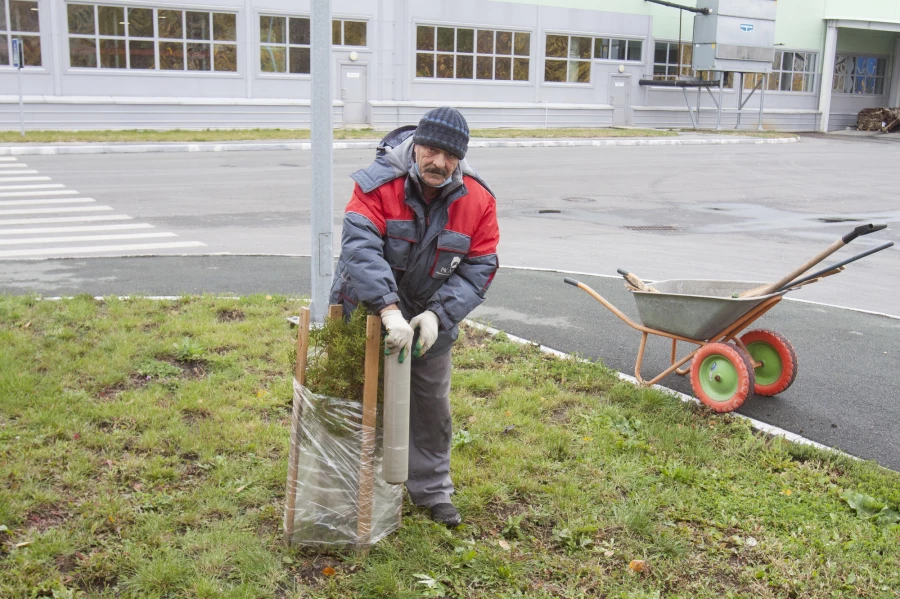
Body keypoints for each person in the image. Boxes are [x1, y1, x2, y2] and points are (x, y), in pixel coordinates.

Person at [330, 107, 500, 527]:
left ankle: (431, 490)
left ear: (460, 158)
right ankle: (346, 480)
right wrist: (388, 311)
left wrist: (438, 317)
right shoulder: (377, 185)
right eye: (431, 150)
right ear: (416, 146)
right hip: (367, 308)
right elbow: (360, 249)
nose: (438, 162)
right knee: (355, 396)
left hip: (430, 314)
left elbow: (480, 265)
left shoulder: (477, 199)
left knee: (430, 407)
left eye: (450, 155)